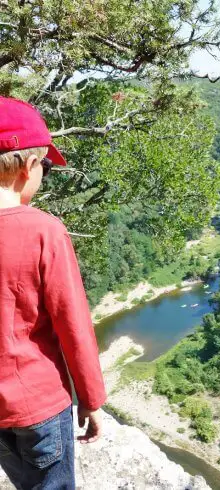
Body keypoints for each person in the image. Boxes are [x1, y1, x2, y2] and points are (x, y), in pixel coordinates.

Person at [0, 96, 107, 489]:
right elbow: (73, 324)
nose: (45, 173)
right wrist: (92, 399)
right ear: (28, 167)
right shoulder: (44, 231)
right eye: (46, 165)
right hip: (40, 405)